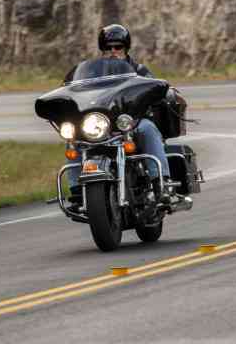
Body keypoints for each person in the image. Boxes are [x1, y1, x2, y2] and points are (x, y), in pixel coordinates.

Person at [66, 24, 172, 209]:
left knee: (148, 128)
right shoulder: (90, 72)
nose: (113, 51)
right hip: (100, 126)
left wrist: (157, 94)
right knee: (73, 137)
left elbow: (155, 89)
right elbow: (69, 88)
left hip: (130, 123)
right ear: (102, 49)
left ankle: (160, 183)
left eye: (118, 47)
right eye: (108, 48)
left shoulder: (139, 70)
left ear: (126, 48)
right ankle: (76, 191)